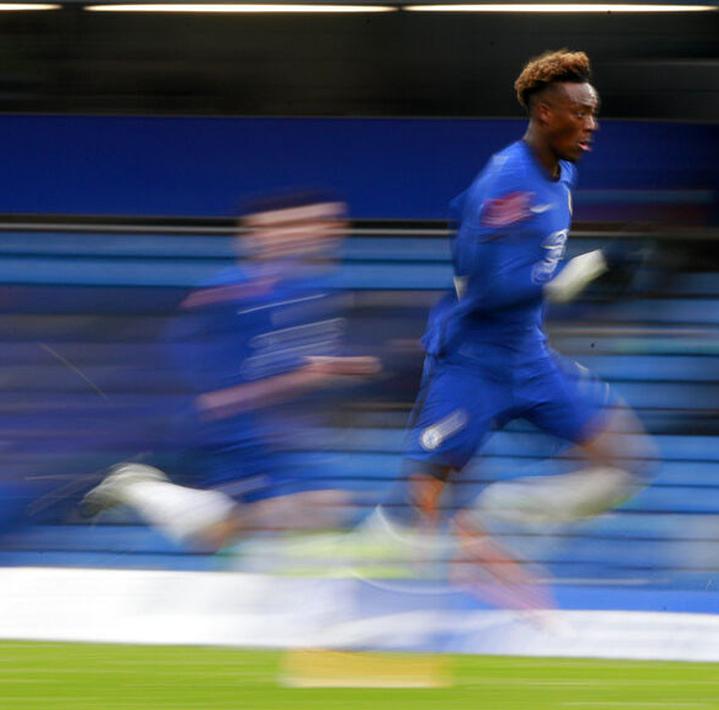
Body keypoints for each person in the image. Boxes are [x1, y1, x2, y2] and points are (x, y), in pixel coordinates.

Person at [375, 50, 655, 596]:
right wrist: (584, 272)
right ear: (546, 114)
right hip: (473, 360)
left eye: (595, 112)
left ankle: (497, 514)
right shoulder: (506, 182)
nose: (592, 124)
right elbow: (485, 289)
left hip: (528, 354)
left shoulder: (562, 174)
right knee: (424, 495)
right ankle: (393, 602)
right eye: (581, 112)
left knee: (622, 463)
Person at [81, 193, 380, 551]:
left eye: (326, 222)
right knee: (320, 511)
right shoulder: (230, 295)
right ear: (256, 235)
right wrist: (308, 376)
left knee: (284, 524)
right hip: (238, 433)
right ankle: (143, 489)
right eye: (293, 224)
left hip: (285, 432)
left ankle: (149, 491)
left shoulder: (322, 287)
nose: (317, 232)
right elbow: (216, 396)